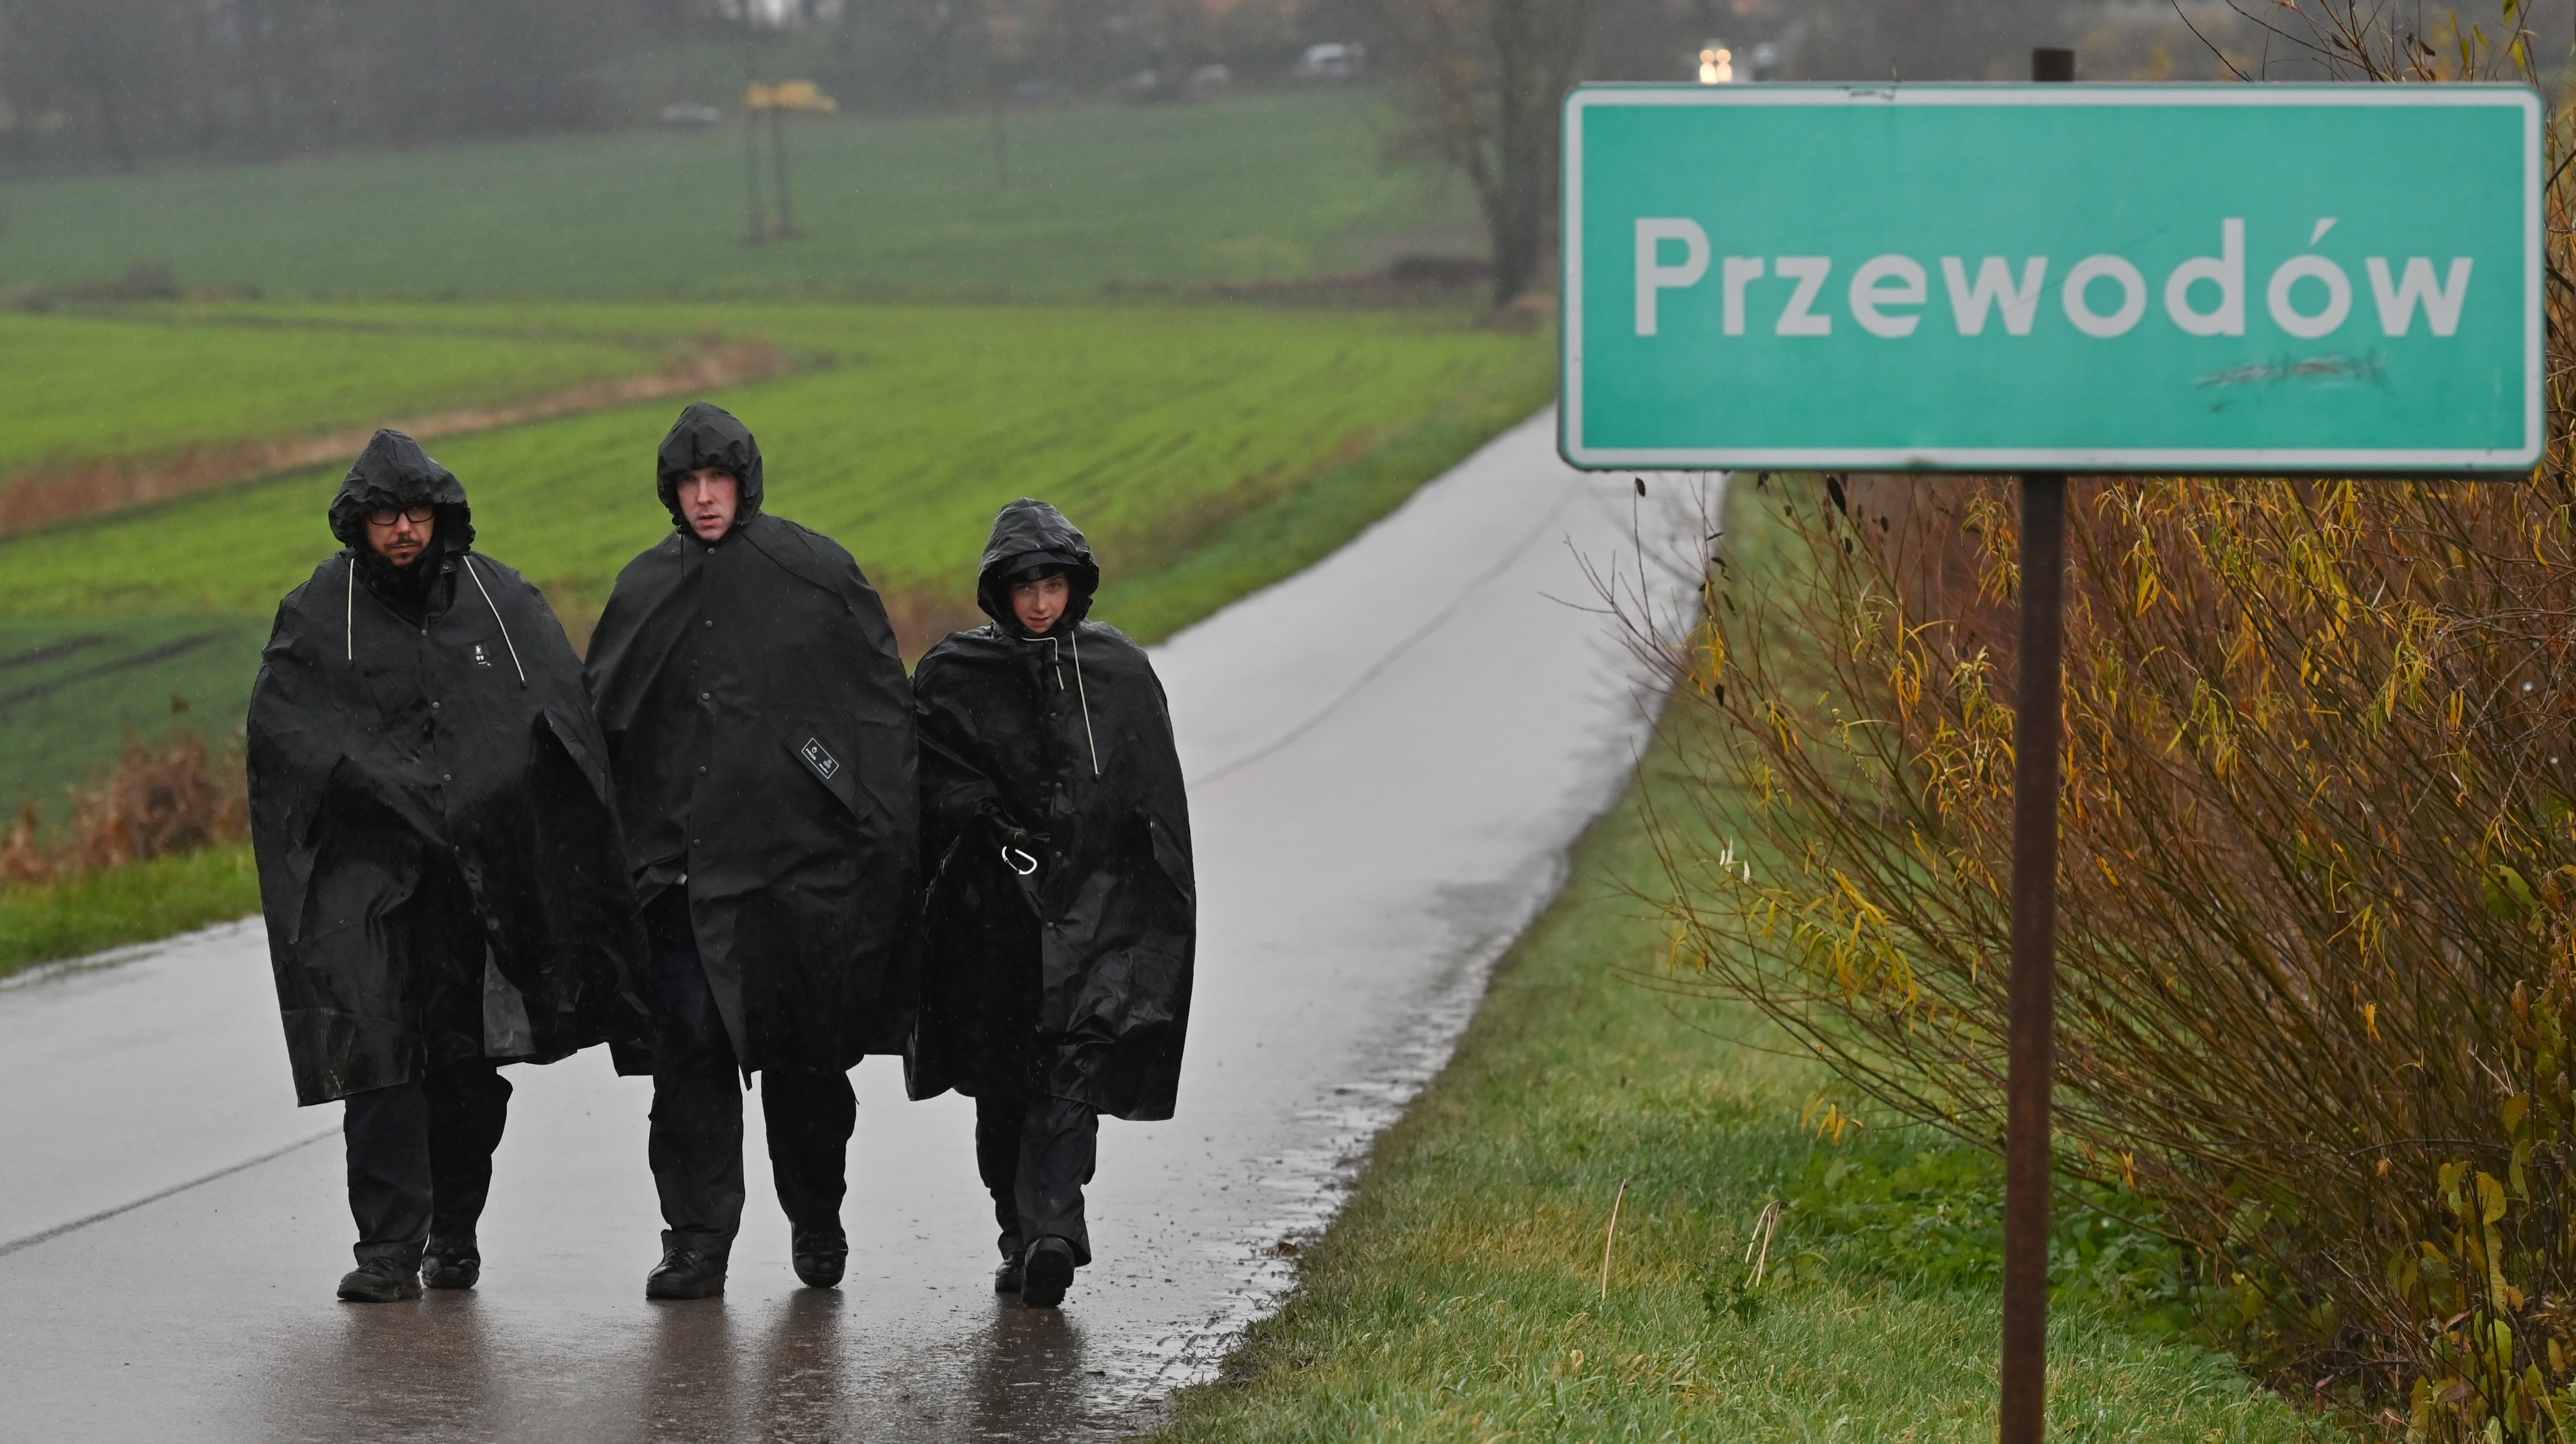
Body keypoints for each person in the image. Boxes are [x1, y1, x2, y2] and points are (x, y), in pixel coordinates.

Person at [247, 429, 653, 1304]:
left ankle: (456, 1227)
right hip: (369, 882)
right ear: (359, 524)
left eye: (417, 513)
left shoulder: (498, 601)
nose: (403, 530)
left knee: (466, 1071)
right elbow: (284, 732)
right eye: (386, 516)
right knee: (381, 1059)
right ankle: (389, 1245)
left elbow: (559, 715)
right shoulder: (321, 612)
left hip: (476, 880)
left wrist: (515, 812)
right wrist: (383, 788)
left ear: (441, 515)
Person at [585, 402, 918, 1300]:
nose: (703, 499)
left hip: (796, 879)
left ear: (745, 481)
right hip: (684, 885)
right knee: (690, 1058)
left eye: (716, 480)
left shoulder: (816, 577)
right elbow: (606, 730)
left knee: (804, 1063)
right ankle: (697, 1240)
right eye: (688, 483)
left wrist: (869, 841)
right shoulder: (644, 589)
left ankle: (816, 1217)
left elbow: (878, 717)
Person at [908, 498, 1196, 1309]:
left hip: (1095, 914)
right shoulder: (957, 676)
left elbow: (1154, 801)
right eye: (1025, 585)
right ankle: (1017, 1229)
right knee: (1003, 1089)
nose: (1040, 601)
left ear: (1077, 585)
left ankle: (1055, 1232)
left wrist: (1153, 913)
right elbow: (924, 790)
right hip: (991, 927)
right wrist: (988, 828)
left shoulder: (1118, 673)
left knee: (1074, 1069)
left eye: (1053, 583)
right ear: (999, 590)